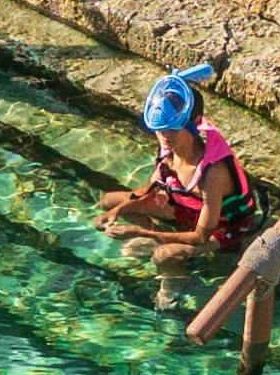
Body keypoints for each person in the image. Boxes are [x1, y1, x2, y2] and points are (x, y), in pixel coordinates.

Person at [95, 60, 264, 276]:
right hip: (187, 209)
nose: (163, 137)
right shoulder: (169, 145)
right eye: (159, 130)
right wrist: (117, 211)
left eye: (172, 130)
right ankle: (159, 235)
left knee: (164, 256)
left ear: (196, 123)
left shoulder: (213, 173)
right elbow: (149, 190)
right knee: (108, 200)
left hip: (224, 227)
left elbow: (201, 236)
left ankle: (174, 280)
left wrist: (141, 232)